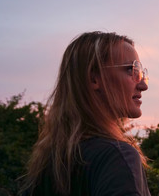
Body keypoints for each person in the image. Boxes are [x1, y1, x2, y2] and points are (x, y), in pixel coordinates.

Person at [21, 31, 151, 196]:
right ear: (94, 79)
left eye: (141, 73)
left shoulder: (49, 163)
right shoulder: (115, 156)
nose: (142, 85)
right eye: (131, 70)